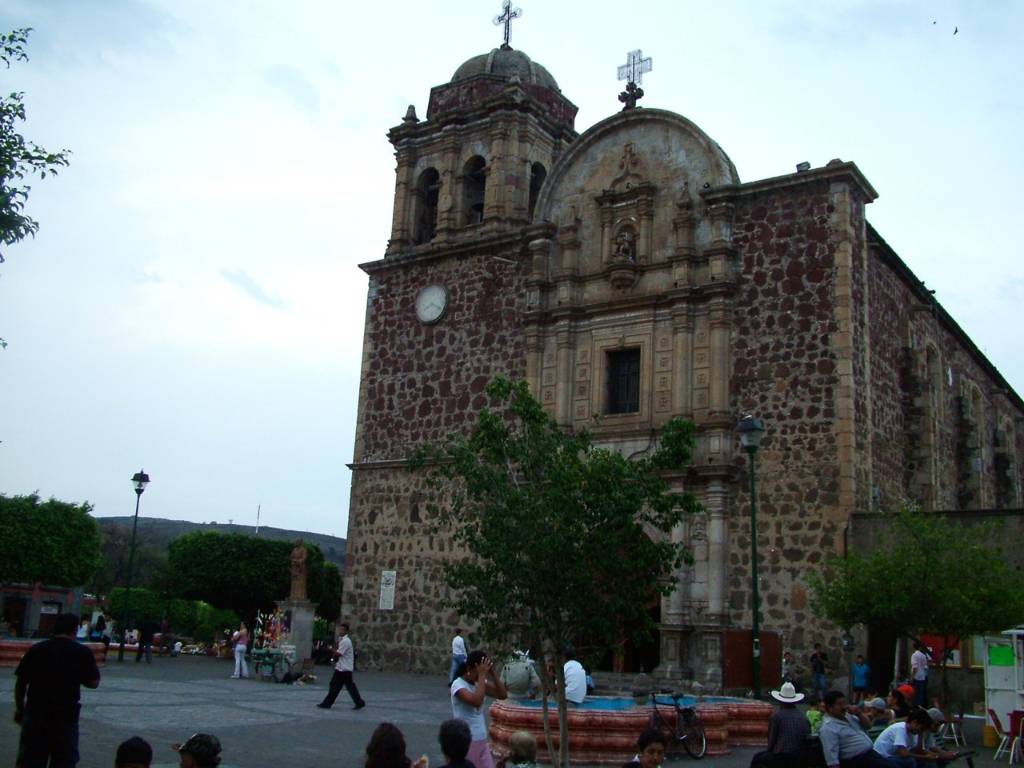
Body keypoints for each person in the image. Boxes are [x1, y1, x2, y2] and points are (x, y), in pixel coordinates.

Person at [14, 612, 102, 768]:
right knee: (64, 761)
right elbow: (94, 682)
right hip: (65, 716)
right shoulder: (82, 652)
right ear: (75, 630)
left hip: (36, 713)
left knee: (30, 760)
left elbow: (21, 683)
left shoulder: (37, 649)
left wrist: (20, 709)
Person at [451, 649, 509, 768]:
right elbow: (476, 701)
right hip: (466, 740)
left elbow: (503, 695)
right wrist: (482, 675)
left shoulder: (479, 683)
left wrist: (493, 673)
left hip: (481, 739)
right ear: (468, 669)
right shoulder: (457, 685)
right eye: (477, 673)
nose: (479, 676)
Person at [819, 690, 892, 768]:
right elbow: (831, 757)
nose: (844, 707)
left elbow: (868, 726)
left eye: (844, 703)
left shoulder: (849, 716)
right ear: (830, 707)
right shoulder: (828, 728)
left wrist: (859, 713)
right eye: (839, 704)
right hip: (857, 761)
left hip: (871, 755)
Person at [751, 682, 810, 768]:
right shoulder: (803, 717)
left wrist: (770, 751)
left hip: (781, 756)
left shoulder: (777, 717)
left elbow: (771, 741)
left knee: (757, 758)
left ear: (780, 701)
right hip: (799, 756)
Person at [318, 622, 366, 709]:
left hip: (343, 668)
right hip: (342, 667)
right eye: (340, 629)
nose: (340, 631)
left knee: (336, 685)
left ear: (346, 631)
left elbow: (339, 653)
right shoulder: (342, 640)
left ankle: (327, 703)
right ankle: (359, 702)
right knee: (346, 686)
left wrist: (330, 649)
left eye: (342, 630)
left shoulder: (346, 641)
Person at [910, 643, 930, 707]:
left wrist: (912, 677)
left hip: (916, 677)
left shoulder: (914, 655)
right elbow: (925, 666)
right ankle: (920, 706)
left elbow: (915, 667)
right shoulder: (923, 655)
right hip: (922, 676)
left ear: (913, 647)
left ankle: (916, 706)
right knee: (921, 694)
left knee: (915, 694)